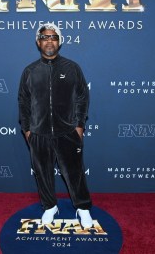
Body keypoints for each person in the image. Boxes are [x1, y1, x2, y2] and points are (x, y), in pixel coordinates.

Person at [18, 23, 92, 228]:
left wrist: (79, 125)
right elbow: (23, 102)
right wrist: (27, 130)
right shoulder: (30, 71)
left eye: (53, 37)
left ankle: (83, 207)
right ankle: (50, 207)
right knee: (42, 173)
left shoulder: (72, 68)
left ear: (59, 41)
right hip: (38, 133)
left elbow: (82, 97)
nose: (49, 40)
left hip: (67, 132)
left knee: (75, 172)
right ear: (38, 42)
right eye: (44, 37)